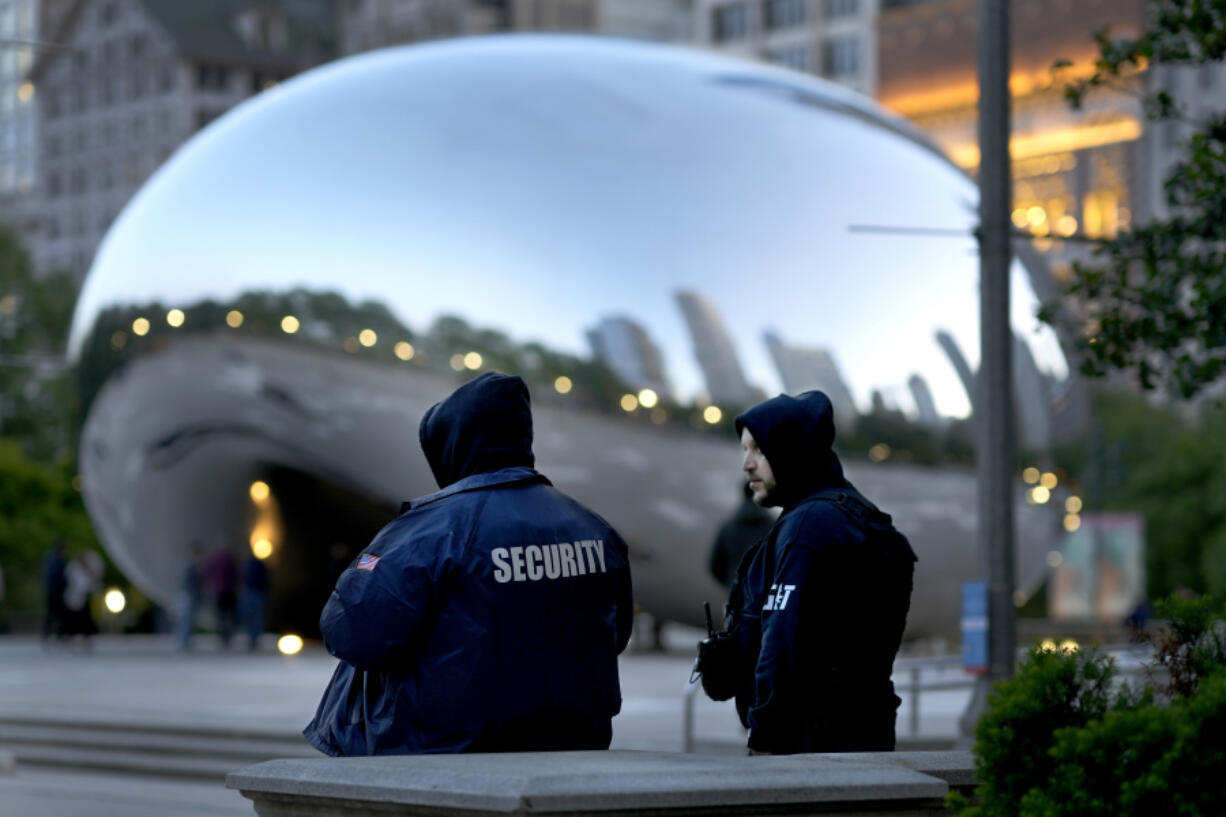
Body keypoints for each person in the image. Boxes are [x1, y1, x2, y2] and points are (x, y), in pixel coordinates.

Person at [304, 372, 634, 756]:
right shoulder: (595, 530)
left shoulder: (431, 530)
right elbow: (617, 634)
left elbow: (350, 632)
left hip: (440, 748)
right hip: (575, 740)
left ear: (453, 445)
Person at [696, 390, 916, 755]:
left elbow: (783, 646)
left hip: (807, 747)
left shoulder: (808, 528)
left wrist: (764, 739)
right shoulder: (855, 515)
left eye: (760, 450)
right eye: (744, 450)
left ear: (791, 451)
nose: (747, 464)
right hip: (865, 735)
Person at [708, 482, 775, 589]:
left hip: (733, 592)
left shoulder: (729, 526)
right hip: (762, 595)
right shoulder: (773, 526)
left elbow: (715, 565)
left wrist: (731, 582)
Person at [61, 550, 104, 649]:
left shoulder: (87, 570)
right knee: (71, 621)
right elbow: (78, 583)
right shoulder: (73, 568)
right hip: (72, 598)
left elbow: (93, 585)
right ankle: (70, 640)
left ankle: (86, 640)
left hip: (83, 599)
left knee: (85, 622)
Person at [203, 543, 238, 648]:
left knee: (221, 617)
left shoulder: (214, 560)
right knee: (229, 616)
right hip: (228, 591)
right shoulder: (230, 560)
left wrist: (211, 586)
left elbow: (209, 574)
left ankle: (223, 637)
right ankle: (227, 637)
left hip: (219, 591)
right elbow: (235, 575)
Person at [176, 544, 204, 650]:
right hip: (188, 597)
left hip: (190, 597)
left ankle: (186, 642)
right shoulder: (189, 566)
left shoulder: (191, 565)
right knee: (186, 621)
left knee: (189, 621)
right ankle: (183, 642)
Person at [240, 552, 270, 650]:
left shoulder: (249, 565)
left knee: (252, 617)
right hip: (257, 594)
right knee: (256, 617)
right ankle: (254, 638)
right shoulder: (260, 565)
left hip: (251, 593)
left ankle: (252, 638)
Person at [41, 538, 68, 645]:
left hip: (53, 590)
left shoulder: (52, 558)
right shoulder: (56, 560)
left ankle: (54, 633)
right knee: (56, 614)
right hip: (56, 591)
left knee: (54, 614)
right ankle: (55, 634)